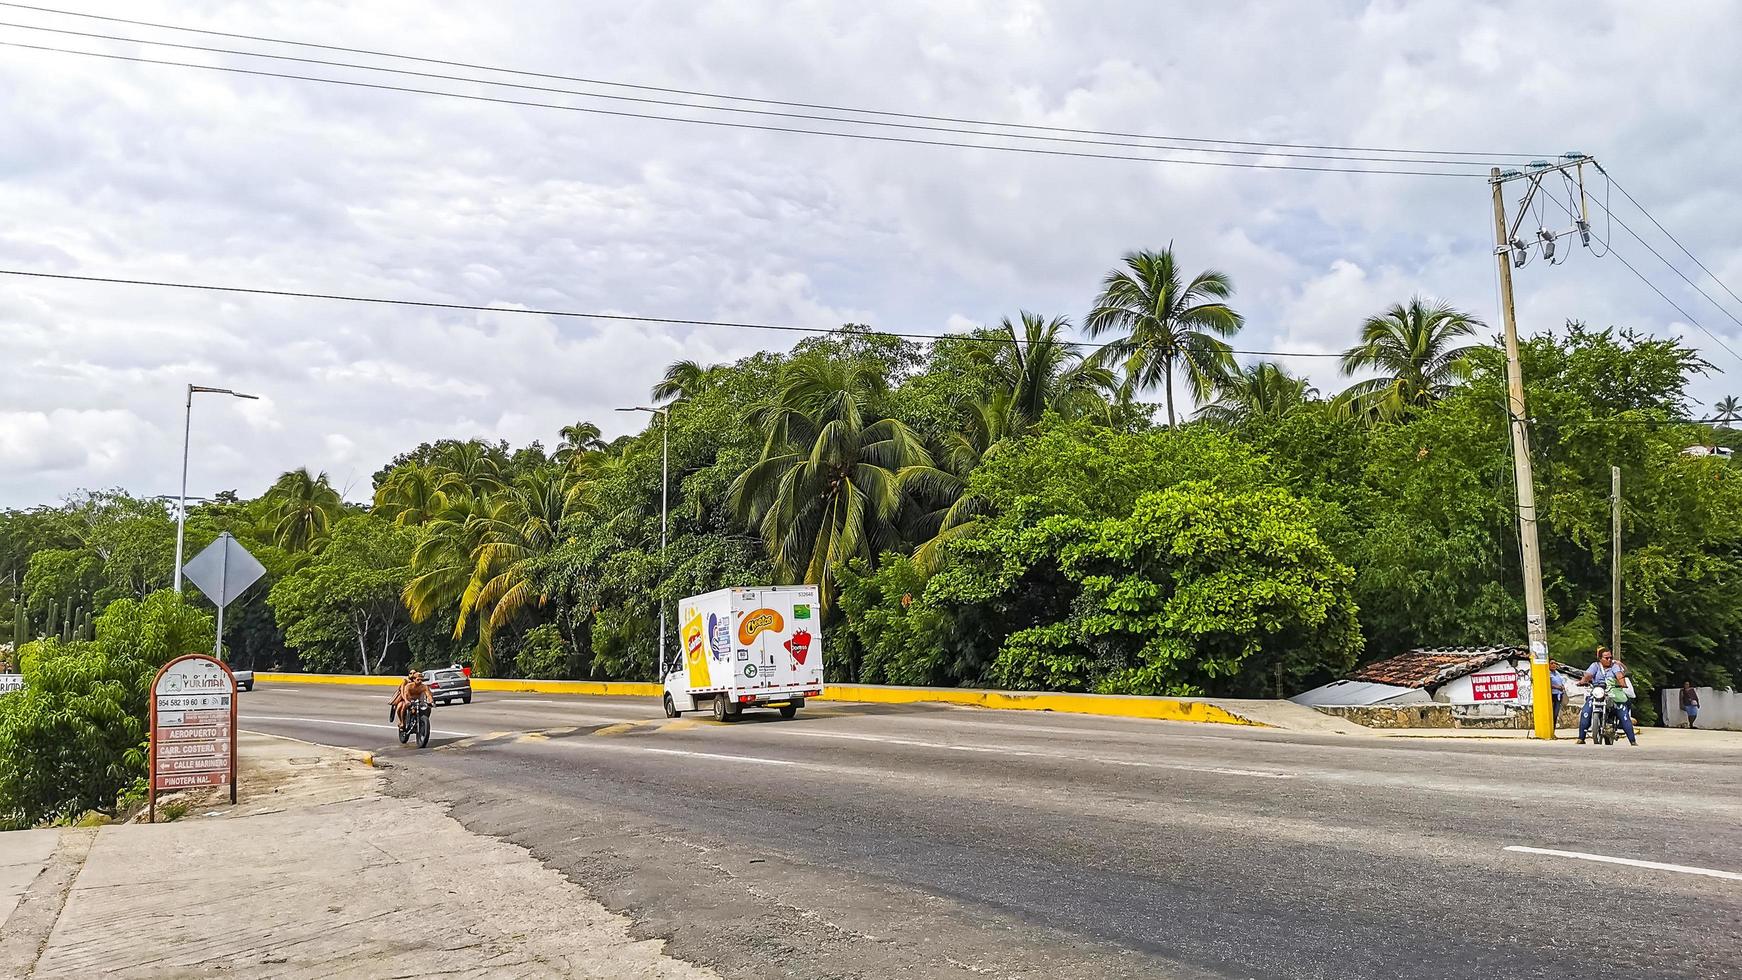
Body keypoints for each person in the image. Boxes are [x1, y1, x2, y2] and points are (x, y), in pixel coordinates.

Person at [1577, 646, 1637, 746]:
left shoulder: (1615, 666)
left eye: (1610, 657)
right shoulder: (1595, 666)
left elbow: (1619, 675)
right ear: (1600, 659)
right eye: (1606, 658)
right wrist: (1582, 681)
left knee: (1623, 713)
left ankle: (1632, 740)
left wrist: (1622, 683)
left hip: (1613, 693)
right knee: (1586, 711)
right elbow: (1588, 675)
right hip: (1598, 691)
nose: (1609, 660)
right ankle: (1581, 738)